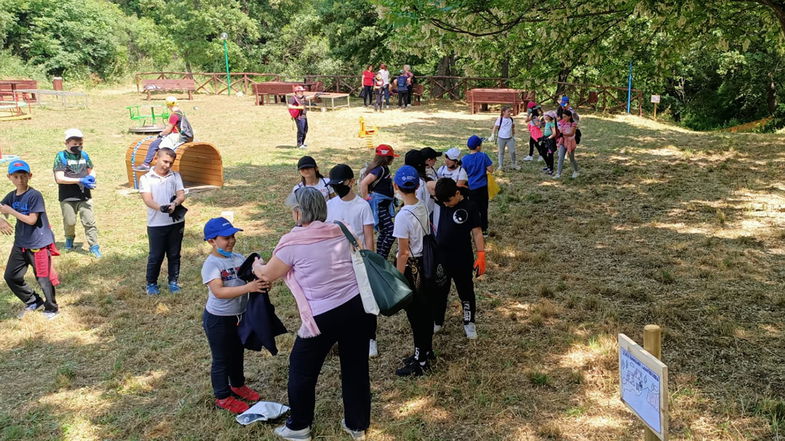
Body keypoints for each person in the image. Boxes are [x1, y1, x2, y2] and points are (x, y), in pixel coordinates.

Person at [252, 187, 371, 441]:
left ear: (298, 212)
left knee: (301, 369)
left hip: (322, 316)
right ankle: (357, 425)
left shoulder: (292, 242)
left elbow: (267, 274)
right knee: (356, 368)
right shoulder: (343, 228)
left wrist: (255, 264)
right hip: (358, 308)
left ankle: (299, 426)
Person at [201, 217, 270, 414]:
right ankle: (223, 396)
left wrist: (261, 284)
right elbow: (219, 292)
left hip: (239, 317)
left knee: (237, 352)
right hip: (218, 320)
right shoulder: (211, 264)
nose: (231, 241)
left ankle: (238, 385)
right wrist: (249, 287)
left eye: (233, 236)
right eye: (225, 238)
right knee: (222, 358)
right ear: (212, 241)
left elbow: (252, 279)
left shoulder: (238, 259)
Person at [325, 164, 378, 358]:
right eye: (334, 185)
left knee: (366, 300)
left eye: (340, 184)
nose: (337, 188)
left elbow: (369, 236)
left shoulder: (362, 206)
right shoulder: (329, 206)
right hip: (336, 262)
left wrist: (370, 260)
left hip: (358, 260)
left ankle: (370, 338)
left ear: (351, 182)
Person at [1, 160, 59, 319]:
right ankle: (33, 300)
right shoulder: (12, 196)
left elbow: (32, 220)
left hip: (38, 244)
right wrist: (1, 220)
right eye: (16, 176)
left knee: (43, 277)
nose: (20, 180)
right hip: (21, 243)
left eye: (23, 176)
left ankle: (52, 308)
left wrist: (10, 212)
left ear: (30, 176)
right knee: (11, 276)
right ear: (9, 177)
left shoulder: (34, 195)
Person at [392, 165, 434, 377]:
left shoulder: (402, 216)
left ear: (396, 186)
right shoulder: (423, 206)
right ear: (418, 186)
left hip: (413, 269)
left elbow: (403, 252)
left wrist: (397, 278)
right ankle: (426, 350)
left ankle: (421, 359)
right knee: (425, 311)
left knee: (416, 315)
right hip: (428, 264)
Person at [431, 178, 486, 339]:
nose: (446, 204)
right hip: (441, 257)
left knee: (466, 291)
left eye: (449, 200)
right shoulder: (442, 202)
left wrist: (481, 253)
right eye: (443, 201)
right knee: (440, 291)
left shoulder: (470, 206)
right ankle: (437, 320)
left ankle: (469, 322)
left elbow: (476, 232)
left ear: (457, 193)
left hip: (462, 257)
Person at [139, 147, 186, 295]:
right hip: (156, 224)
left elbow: (181, 195)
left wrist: (175, 204)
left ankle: (173, 282)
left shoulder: (175, 176)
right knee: (156, 255)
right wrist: (161, 208)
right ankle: (151, 284)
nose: (167, 165)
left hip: (176, 223)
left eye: (170, 163)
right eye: (165, 161)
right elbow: (147, 200)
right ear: (156, 158)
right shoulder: (145, 178)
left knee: (174, 254)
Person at [52, 128, 101, 258]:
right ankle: (69, 239)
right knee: (70, 222)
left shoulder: (84, 155)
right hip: (67, 197)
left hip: (85, 196)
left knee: (89, 222)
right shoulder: (60, 157)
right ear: (67, 143)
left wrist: (92, 178)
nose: (78, 146)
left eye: (80, 144)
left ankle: (94, 246)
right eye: (75, 144)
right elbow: (59, 178)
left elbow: (91, 170)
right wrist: (79, 179)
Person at [134, 96, 194, 171]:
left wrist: (160, 134)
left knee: (157, 145)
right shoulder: (181, 112)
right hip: (186, 136)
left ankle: (147, 164)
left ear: (167, 105)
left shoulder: (174, 115)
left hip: (178, 136)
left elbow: (168, 130)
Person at [359, 144, 398, 259]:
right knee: (391, 231)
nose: (393, 159)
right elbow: (364, 183)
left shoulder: (384, 169)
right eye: (392, 157)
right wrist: (366, 197)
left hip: (384, 204)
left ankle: (380, 258)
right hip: (378, 205)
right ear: (387, 158)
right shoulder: (379, 170)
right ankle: (382, 257)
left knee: (385, 232)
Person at [461, 135, 494, 236]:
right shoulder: (483, 156)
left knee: (472, 208)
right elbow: (491, 169)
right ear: (478, 147)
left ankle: (473, 227)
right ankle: (484, 229)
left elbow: (463, 173)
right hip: (482, 187)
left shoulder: (464, 159)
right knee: (483, 209)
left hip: (471, 188)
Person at [490, 106, 519, 170]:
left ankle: (514, 164)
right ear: (503, 112)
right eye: (508, 111)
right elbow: (495, 127)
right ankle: (500, 165)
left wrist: (514, 136)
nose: (510, 113)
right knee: (501, 152)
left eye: (510, 112)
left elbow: (513, 127)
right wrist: (492, 135)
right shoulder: (500, 119)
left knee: (512, 151)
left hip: (510, 138)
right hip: (501, 139)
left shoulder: (511, 119)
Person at [555, 110, 580, 179]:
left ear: (569, 116)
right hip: (563, 142)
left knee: (571, 158)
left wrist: (562, 134)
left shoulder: (573, 124)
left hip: (570, 143)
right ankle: (558, 173)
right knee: (560, 158)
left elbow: (571, 133)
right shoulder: (562, 123)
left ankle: (576, 171)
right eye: (563, 117)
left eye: (565, 117)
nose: (563, 118)